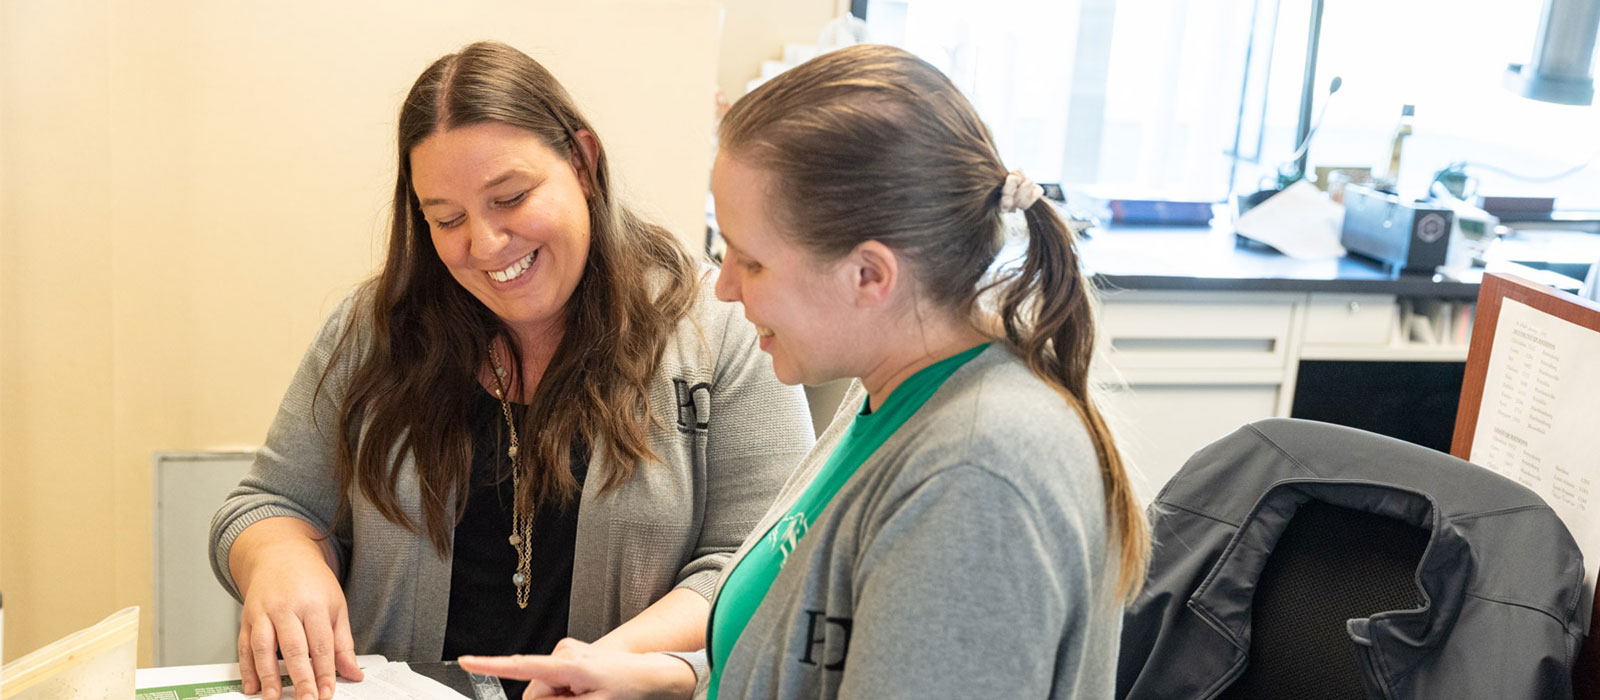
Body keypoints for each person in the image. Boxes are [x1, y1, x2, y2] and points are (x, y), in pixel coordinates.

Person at [458, 43, 1150, 700]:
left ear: (868, 274)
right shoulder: (890, 396)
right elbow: (821, 651)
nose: (724, 288)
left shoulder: (975, 476)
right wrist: (670, 675)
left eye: (750, 260)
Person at [208, 41, 815, 700]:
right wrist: (281, 557)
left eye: (512, 197)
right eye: (447, 219)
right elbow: (270, 505)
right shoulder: (377, 327)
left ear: (582, 162)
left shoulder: (717, 327)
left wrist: (606, 666)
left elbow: (761, 563)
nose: (485, 244)